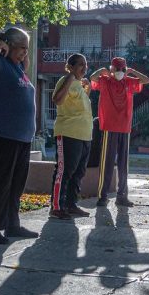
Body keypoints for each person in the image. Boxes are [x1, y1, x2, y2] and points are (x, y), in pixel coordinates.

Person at [0, 27, 39, 245]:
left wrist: (21, 57)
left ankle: (13, 225)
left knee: (17, 183)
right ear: (7, 45)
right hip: (2, 133)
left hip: (22, 136)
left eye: (26, 49)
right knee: (2, 182)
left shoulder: (18, 68)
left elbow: (23, 69)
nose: (25, 53)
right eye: (22, 47)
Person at [90, 57, 149, 207]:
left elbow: (146, 80)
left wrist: (132, 71)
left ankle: (122, 196)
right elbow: (92, 78)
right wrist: (103, 71)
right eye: (117, 69)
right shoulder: (105, 81)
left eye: (122, 69)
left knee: (124, 164)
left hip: (124, 127)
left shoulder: (129, 81)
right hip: (109, 127)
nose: (120, 72)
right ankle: (102, 196)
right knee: (107, 163)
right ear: (112, 69)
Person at [49, 54, 93, 220]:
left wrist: (86, 89)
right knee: (64, 171)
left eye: (86, 65)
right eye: (80, 64)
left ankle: (71, 204)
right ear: (70, 66)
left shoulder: (79, 85)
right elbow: (58, 100)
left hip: (84, 135)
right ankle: (57, 207)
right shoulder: (65, 79)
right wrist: (70, 77)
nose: (84, 68)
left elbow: (78, 107)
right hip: (68, 133)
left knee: (78, 172)